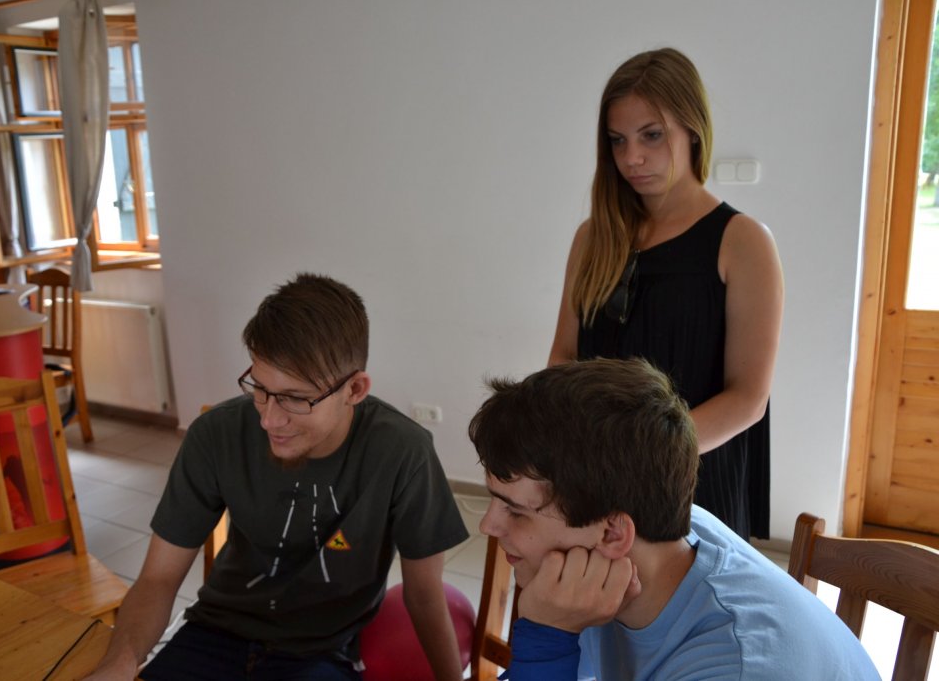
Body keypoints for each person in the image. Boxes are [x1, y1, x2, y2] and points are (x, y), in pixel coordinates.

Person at [87, 273, 469, 681]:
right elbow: (158, 578)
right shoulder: (215, 435)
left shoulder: (403, 452)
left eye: (295, 399)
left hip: (323, 652)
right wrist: (119, 665)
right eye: (260, 388)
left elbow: (424, 596)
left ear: (355, 389)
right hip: (215, 633)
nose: (269, 419)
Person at [469, 358, 880, 680]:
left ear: (612, 533)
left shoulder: (736, 669)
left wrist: (546, 638)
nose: (488, 526)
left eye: (515, 511)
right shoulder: (652, 542)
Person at [548, 48, 784, 540]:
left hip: (693, 483)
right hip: (597, 476)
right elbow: (565, 357)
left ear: (692, 129)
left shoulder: (742, 241)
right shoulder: (592, 237)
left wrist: (647, 456)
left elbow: (748, 398)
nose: (632, 157)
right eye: (617, 140)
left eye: (651, 135)